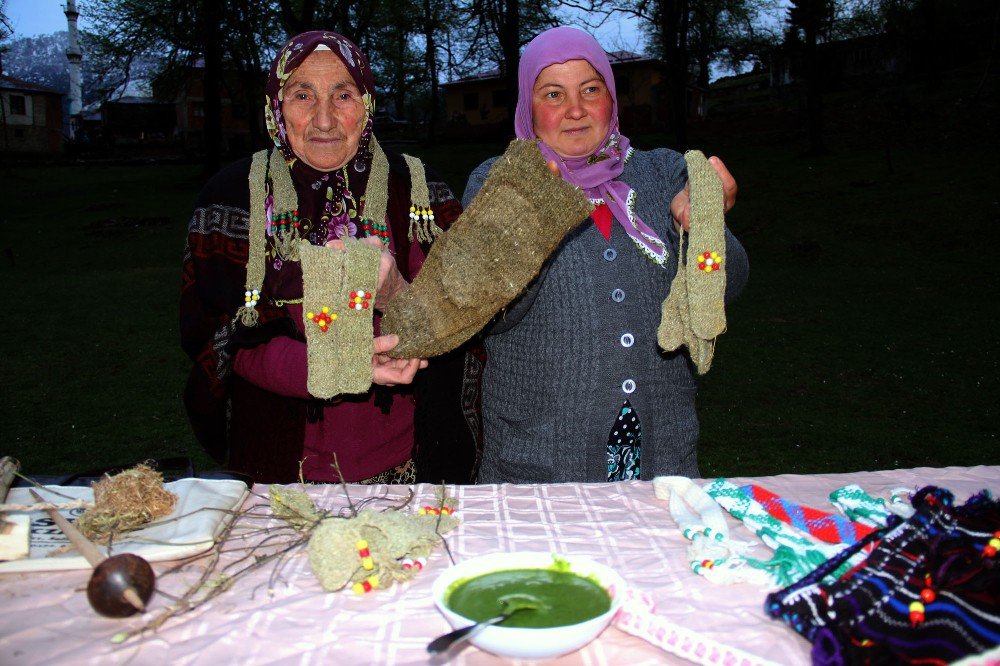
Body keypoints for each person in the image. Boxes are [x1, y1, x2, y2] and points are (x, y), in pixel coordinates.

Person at [181, 31, 480, 485]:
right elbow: (222, 335)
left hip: (410, 465)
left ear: (367, 103)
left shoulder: (416, 188)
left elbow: (466, 313)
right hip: (277, 470)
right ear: (276, 107)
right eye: (302, 95)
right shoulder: (234, 198)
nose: (324, 118)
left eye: (343, 94)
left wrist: (396, 293)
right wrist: (333, 368)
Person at [462, 26, 749, 483]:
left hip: (661, 460)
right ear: (527, 108)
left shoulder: (665, 172)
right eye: (553, 94)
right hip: (540, 465)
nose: (575, 110)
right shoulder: (497, 185)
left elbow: (723, 291)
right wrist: (534, 223)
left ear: (611, 99)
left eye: (590, 90)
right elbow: (488, 316)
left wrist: (698, 230)